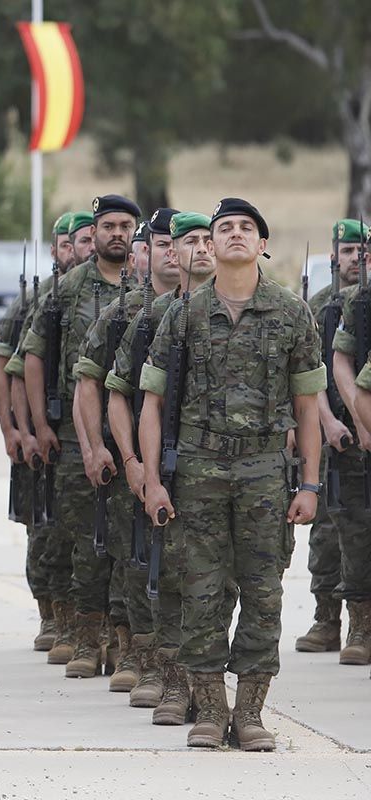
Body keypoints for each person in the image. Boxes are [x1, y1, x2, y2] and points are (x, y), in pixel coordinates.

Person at [139, 198, 323, 751]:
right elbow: (152, 401)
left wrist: (310, 484)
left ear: (263, 244)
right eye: (225, 228)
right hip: (197, 469)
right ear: (208, 246)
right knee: (200, 591)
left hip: (267, 471)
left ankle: (250, 714)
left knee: (264, 593)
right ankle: (210, 711)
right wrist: (152, 480)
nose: (236, 234)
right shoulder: (184, 314)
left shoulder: (292, 313)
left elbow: (308, 406)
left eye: (247, 228)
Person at [105, 210, 222, 724]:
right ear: (170, 252)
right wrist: (134, 463)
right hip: (172, 467)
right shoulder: (153, 318)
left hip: (234, 474)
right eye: (187, 241)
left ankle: (209, 685)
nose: (198, 249)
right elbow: (120, 394)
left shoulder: (260, 312)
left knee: (226, 583)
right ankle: (171, 679)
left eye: (206, 239)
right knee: (167, 576)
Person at [21, 194, 138, 677]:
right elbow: (33, 355)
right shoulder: (69, 288)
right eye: (107, 225)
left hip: (134, 432)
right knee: (83, 538)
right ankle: (86, 638)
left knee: (129, 541)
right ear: (95, 231)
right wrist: (40, 425)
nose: (116, 234)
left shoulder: (147, 287)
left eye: (125, 226)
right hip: (77, 434)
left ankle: (125, 639)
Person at [70, 207, 177, 693]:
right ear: (146, 252)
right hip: (133, 454)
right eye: (164, 243)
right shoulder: (125, 314)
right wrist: (97, 448)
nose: (176, 252)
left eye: (187, 241)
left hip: (196, 458)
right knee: (134, 557)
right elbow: (89, 383)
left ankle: (184, 668)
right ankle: (137, 650)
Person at [0, 211, 73, 652]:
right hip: (45, 433)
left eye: (79, 239)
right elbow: (7, 367)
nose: (73, 249)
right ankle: (52, 615)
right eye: (64, 242)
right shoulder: (37, 301)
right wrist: (15, 429)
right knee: (45, 529)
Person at [295, 219, 367, 657]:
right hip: (331, 431)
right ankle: (328, 618)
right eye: (349, 250)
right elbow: (308, 373)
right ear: (334, 256)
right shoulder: (319, 307)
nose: (357, 258)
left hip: (362, 427)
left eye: (364, 250)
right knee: (328, 531)